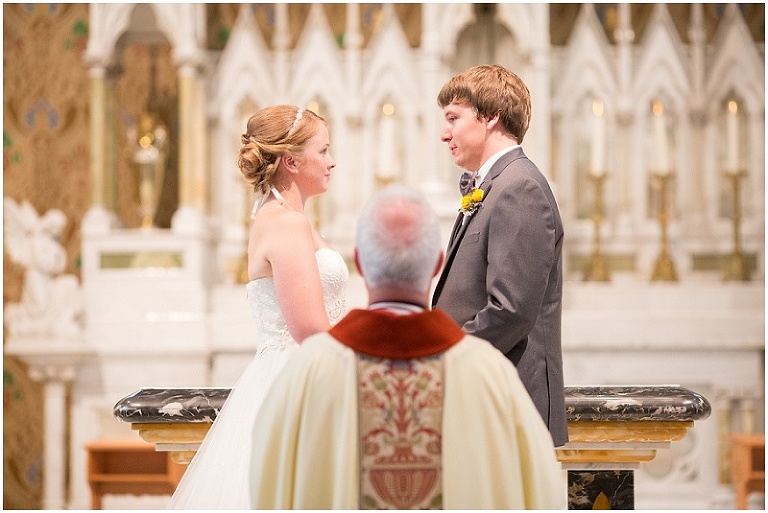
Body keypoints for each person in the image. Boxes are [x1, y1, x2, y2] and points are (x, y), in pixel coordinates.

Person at [249, 185, 565, 509]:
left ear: (358, 262)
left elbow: (267, 489)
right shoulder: (489, 373)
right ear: (437, 264)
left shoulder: (307, 373)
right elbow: (542, 495)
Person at [167, 105, 348, 509]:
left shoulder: (285, 217)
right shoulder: (286, 223)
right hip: (298, 379)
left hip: (300, 372)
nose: (331, 161)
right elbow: (310, 330)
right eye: (323, 151)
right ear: (291, 161)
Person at [430, 64, 568, 447]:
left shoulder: (518, 188)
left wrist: (438, 355)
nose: (445, 133)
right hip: (486, 397)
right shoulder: (496, 184)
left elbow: (510, 310)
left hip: (509, 405)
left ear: (490, 117)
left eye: (453, 119)